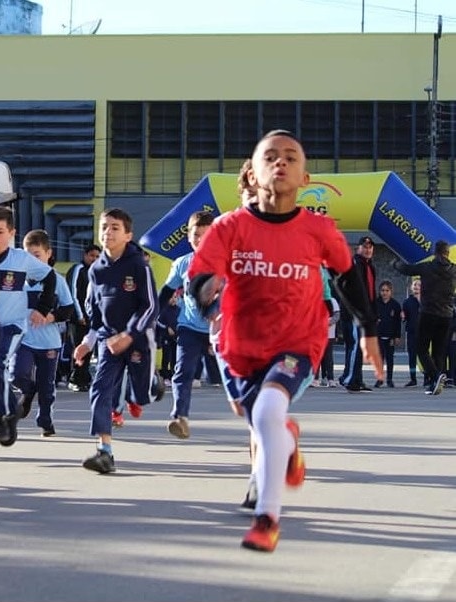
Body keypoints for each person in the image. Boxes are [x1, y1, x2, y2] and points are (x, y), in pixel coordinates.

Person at [188, 130, 381, 553]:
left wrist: (367, 329)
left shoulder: (317, 229)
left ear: (305, 175)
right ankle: (287, 442)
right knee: (256, 414)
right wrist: (208, 295)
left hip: (298, 338)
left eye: (290, 157)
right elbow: (200, 279)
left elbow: (347, 274)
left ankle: (267, 518)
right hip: (241, 345)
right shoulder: (229, 227)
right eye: (270, 157)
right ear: (252, 174)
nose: (281, 163)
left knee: (269, 408)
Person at [73, 207, 157, 474]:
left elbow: (150, 307)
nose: (107, 232)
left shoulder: (138, 265)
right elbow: (95, 312)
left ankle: (148, 387)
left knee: (142, 395)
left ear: (128, 234)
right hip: (108, 341)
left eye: (114, 227)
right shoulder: (96, 270)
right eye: (104, 226)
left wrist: (130, 334)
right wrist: (88, 341)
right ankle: (104, 451)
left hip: (137, 338)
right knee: (100, 389)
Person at [0, 205, 57, 446]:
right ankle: (11, 412)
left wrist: (42, 308)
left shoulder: (21, 259)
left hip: (11, 325)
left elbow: (50, 277)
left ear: (11, 233)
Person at [157, 210, 216, 440]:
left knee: (232, 375)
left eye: (206, 235)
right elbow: (166, 293)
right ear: (188, 237)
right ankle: (179, 417)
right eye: (196, 234)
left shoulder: (227, 263)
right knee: (183, 370)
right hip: (189, 327)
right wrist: (150, 317)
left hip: (219, 330)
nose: (200, 239)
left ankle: (255, 416)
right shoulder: (182, 263)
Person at [13, 229, 75, 437]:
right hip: (23, 339)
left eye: (37, 255)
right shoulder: (17, 280)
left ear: (48, 254)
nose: (32, 260)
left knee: (46, 385)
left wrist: (51, 317)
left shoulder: (57, 280)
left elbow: (68, 309)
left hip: (49, 341)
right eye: (27, 255)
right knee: (17, 373)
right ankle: (27, 391)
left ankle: (46, 420)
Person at [392, 240, 456, 396]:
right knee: (439, 352)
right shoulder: (454, 269)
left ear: (435, 252)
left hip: (428, 313)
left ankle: (435, 376)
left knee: (421, 349)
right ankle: (435, 384)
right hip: (446, 315)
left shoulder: (427, 267)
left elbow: (407, 269)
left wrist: (395, 263)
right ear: (447, 253)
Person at [341, 236, 377, 392]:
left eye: (370, 247)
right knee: (357, 345)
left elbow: (371, 292)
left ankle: (355, 378)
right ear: (358, 249)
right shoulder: (355, 264)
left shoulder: (369, 266)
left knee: (358, 347)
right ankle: (350, 380)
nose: (368, 250)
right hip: (355, 312)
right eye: (365, 247)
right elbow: (355, 290)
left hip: (364, 311)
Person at [64, 244, 101, 392]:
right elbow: (73, 293)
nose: (94, 259)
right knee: (79, 348)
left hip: (91, 319)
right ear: (85, 255)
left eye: (98, 256)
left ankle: (84, 378)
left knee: (89, 349)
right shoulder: (78, 269)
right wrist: (79, 315)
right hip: (78, 318)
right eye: (92, 256)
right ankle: (75, 378)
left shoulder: (97, 272)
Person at [373, 280, 401, 388]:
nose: (384, 293)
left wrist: (397, 336)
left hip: (390, 336)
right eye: (382, 290)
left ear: (391, 292)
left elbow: (397, 322)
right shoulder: (375, 303)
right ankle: (379, 379)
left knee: (390, 358)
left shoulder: (395, 305)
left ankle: (389, 379)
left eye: (387, 290)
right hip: (378, 334)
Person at [400, 278, 422, 387]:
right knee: (412, 356)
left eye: (418, 285)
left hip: (424, 332)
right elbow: (405, 317)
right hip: (412, 332)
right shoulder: (407, 302)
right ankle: (413, 378)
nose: (416, 287)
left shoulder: (426, 301)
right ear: (411, 287)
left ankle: (428, 378)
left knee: (424, 355)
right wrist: (403, 317)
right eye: (415, 285)